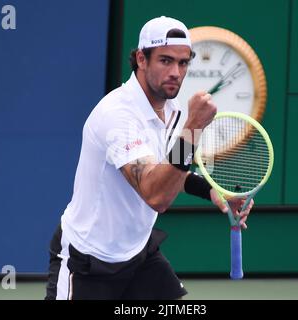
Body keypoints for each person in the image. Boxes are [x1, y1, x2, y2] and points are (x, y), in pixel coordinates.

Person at [45, 16, 253, 300]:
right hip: (88, 260)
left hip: (139, 255)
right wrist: (193, 129)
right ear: (141, 59)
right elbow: (156, 194)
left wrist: (213, 192)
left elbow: (167, 171)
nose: (176, 72)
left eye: (183, 63)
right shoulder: (118, 115)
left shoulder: (174, 110)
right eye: (165, 61)